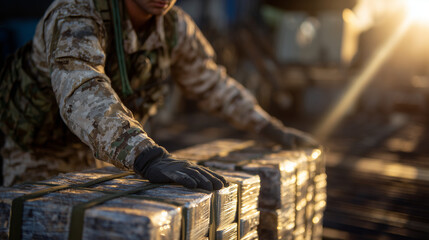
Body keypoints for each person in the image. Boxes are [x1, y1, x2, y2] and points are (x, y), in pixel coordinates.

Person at [0, 0, 318, 189]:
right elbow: (82, 91)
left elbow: (210, 82)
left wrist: (268, 127)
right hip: (40, 153)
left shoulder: (173, 26)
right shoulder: (76, 13)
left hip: (103, 153)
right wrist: (147, 156)